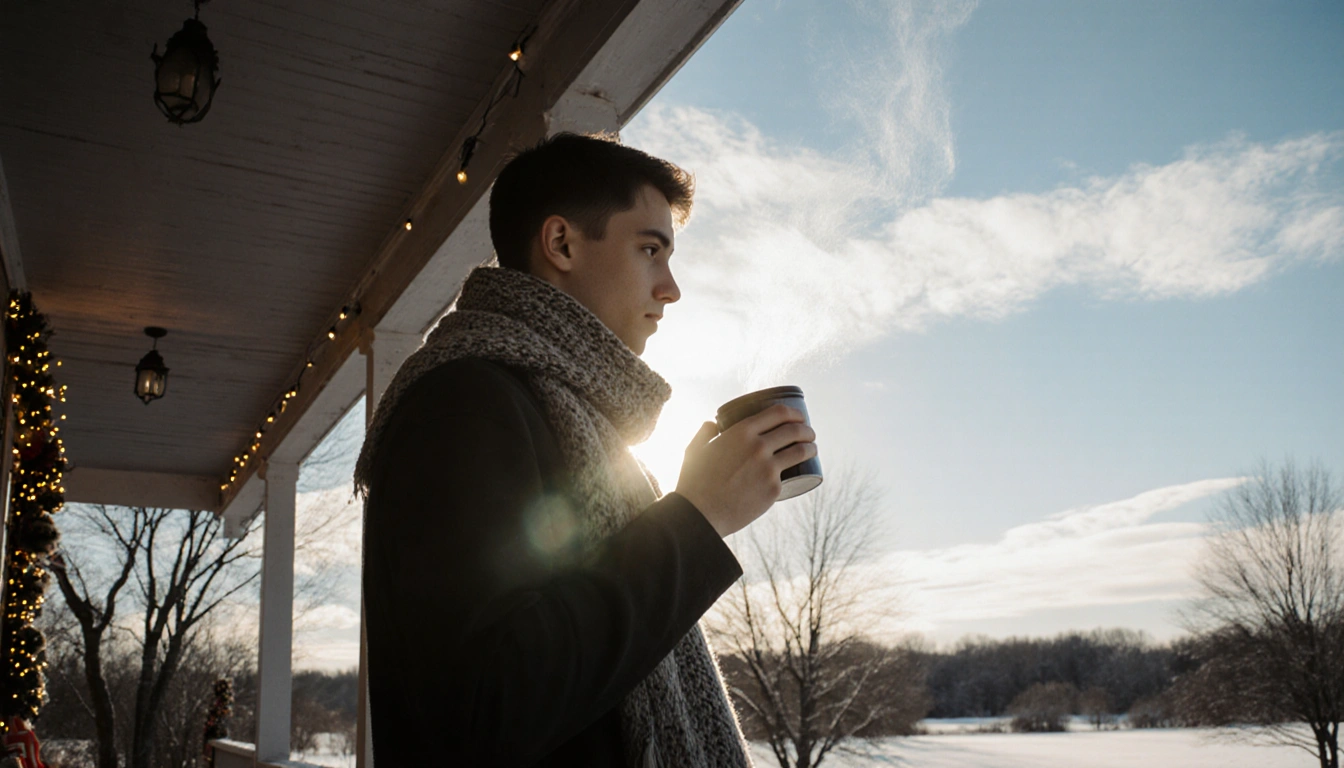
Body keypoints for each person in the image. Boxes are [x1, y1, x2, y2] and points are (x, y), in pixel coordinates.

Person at [354, 132, 817, 767]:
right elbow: (481, 708)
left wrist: (690, 512)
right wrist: (696, 518)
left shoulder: (561, 415)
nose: (671, 288)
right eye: (650, 250)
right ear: (562, 243)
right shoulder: (463, 404)